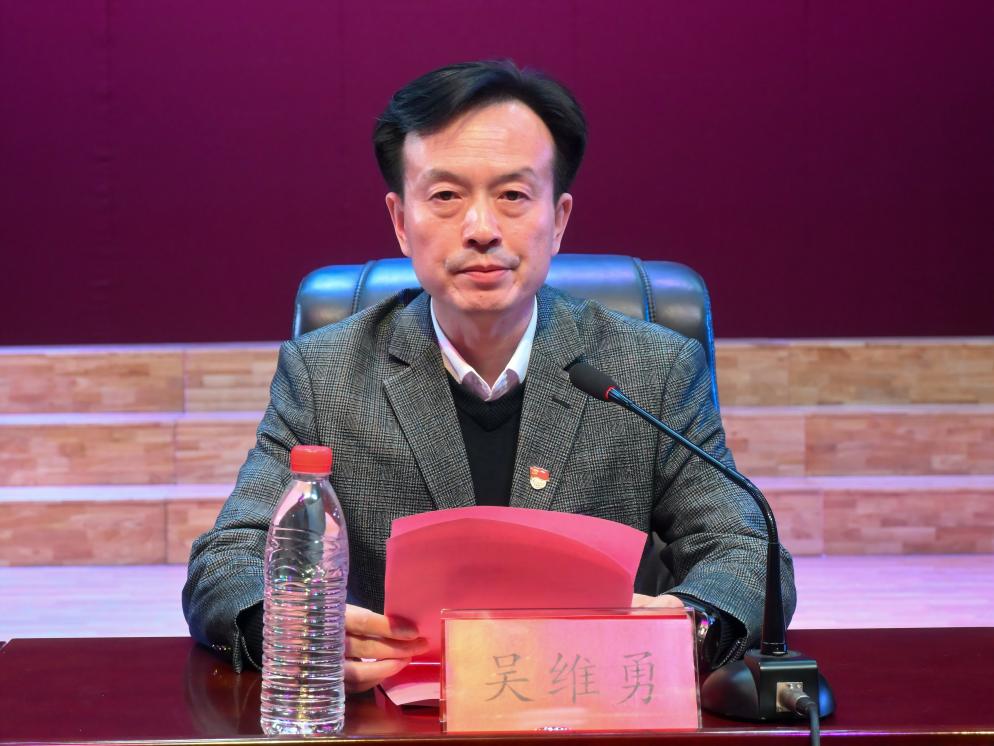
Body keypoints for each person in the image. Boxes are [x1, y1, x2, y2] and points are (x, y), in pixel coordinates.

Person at [183, 60, 796, 694]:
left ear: (558, 220)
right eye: (446, 196)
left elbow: (748, 551)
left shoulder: (650, 370)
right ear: (401, 221)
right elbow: (225, 560)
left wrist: (689, 628)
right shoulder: (326, 373)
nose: (481, 230)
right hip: (394, 719)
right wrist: (291, 630)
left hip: (589, 710)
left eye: (513, 196)